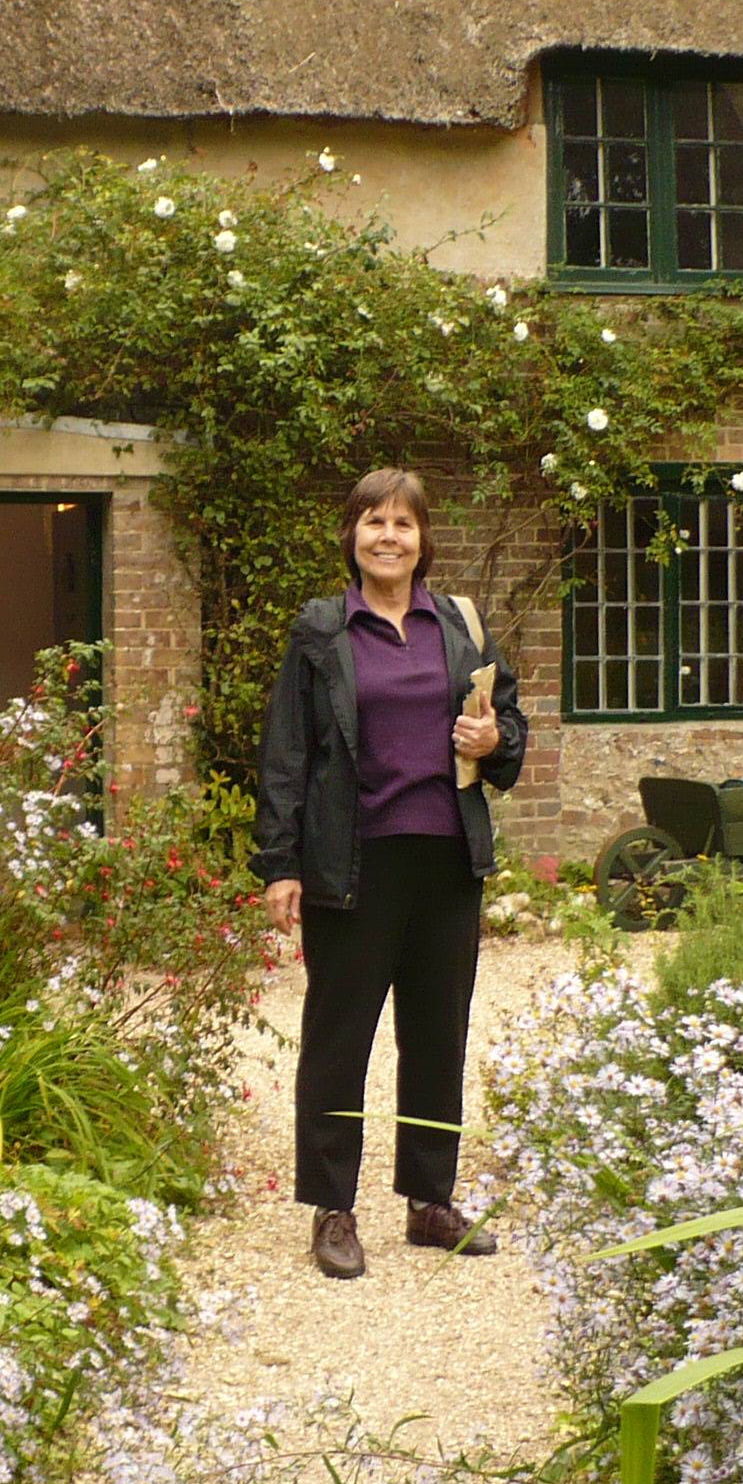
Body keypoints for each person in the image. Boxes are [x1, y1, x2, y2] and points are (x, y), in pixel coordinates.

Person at [251, 467, 526, 1280]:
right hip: (352, 863)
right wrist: (280, 864)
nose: (388, 537)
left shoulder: (462, 628)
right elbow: (287, 753)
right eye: (373, 522)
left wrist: (495, 743)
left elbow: (507, 723)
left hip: (446, 860)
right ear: (352, 535)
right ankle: (333, 1210)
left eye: (403, 524)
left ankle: (430, 1202)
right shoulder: (321, 632)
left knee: (437, 1037)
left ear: (422, 540)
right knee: (340, 1040)